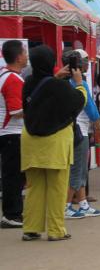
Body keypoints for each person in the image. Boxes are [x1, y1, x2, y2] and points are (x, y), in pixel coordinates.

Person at [21, 45, 86, 241]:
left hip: (31, 141)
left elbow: (40, 92)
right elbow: (77, 102)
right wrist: (79, 83)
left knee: (34, 187)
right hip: (55, 143)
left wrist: (56, 77)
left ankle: (31, 228)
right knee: (57, 188)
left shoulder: (28, 82)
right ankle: (56, 230)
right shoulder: (59, 86)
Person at [63, 50, 100, 219]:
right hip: (79, 130)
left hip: (69, 130)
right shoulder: (80, 83)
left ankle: (82, 202)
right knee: (78, 169)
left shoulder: (61, 82)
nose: (86, 64)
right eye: (83, 61)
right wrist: (99, 127)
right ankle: (65, 206)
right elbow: (91, 109)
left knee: (80, 170)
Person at [0, 40, 27, 229]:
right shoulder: (12, 79)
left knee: (14, 174)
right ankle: (12, 214)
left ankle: (14, 212)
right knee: (13, 175)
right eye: (25, 52)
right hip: (12, 133)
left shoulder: (7, 75)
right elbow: (16, 110)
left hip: (9, 133)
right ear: (18, 57)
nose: (27, 56)